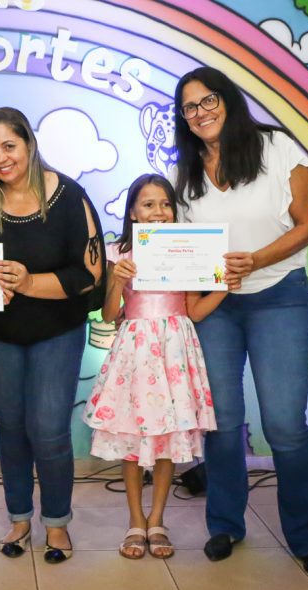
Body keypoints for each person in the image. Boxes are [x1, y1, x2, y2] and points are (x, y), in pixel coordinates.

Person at [172, 67, 308, 577]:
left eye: (208, 100)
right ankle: (224, 525)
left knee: (284, 424)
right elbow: (182, 250)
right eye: (190, 107)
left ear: (228, 100)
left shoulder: (278, 147)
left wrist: (256, 260)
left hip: (278, 296)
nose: (200, 112)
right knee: (221, 423)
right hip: (216, 307)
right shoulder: (185, 173)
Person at [0, 107, 105, 564]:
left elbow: (90, 274)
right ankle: (19, 518)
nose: (1, 158)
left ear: (29, 143)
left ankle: (57, 522)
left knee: (48, 430)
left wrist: (29, 283)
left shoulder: (69, 197)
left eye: (9, 146)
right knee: (10, 427)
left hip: (57, 331)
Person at [84, 174, 221, 560]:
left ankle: (157, 520)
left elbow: (195, 310)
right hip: (136, 351)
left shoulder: (185, 250)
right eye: (148, 204)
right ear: (133, 212)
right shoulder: (118, 252)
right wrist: (116, 282)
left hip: (175, 351)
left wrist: (225, 285)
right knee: (133, 439)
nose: (158, 211)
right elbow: (109, 315)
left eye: (165, 204)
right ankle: (135, 520)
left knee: (165, 440)